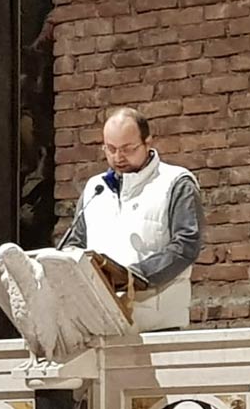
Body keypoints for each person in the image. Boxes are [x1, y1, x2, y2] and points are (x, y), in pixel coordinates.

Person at [62, 107, 203, 332]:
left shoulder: (176, 183)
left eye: (128, 149)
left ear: (148, 142)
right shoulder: (95, 189)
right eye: (111, 149)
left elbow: (186, 246)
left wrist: (134, 276)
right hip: (101, 324)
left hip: (157, 325)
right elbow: (75, 245)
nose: (118, 157)